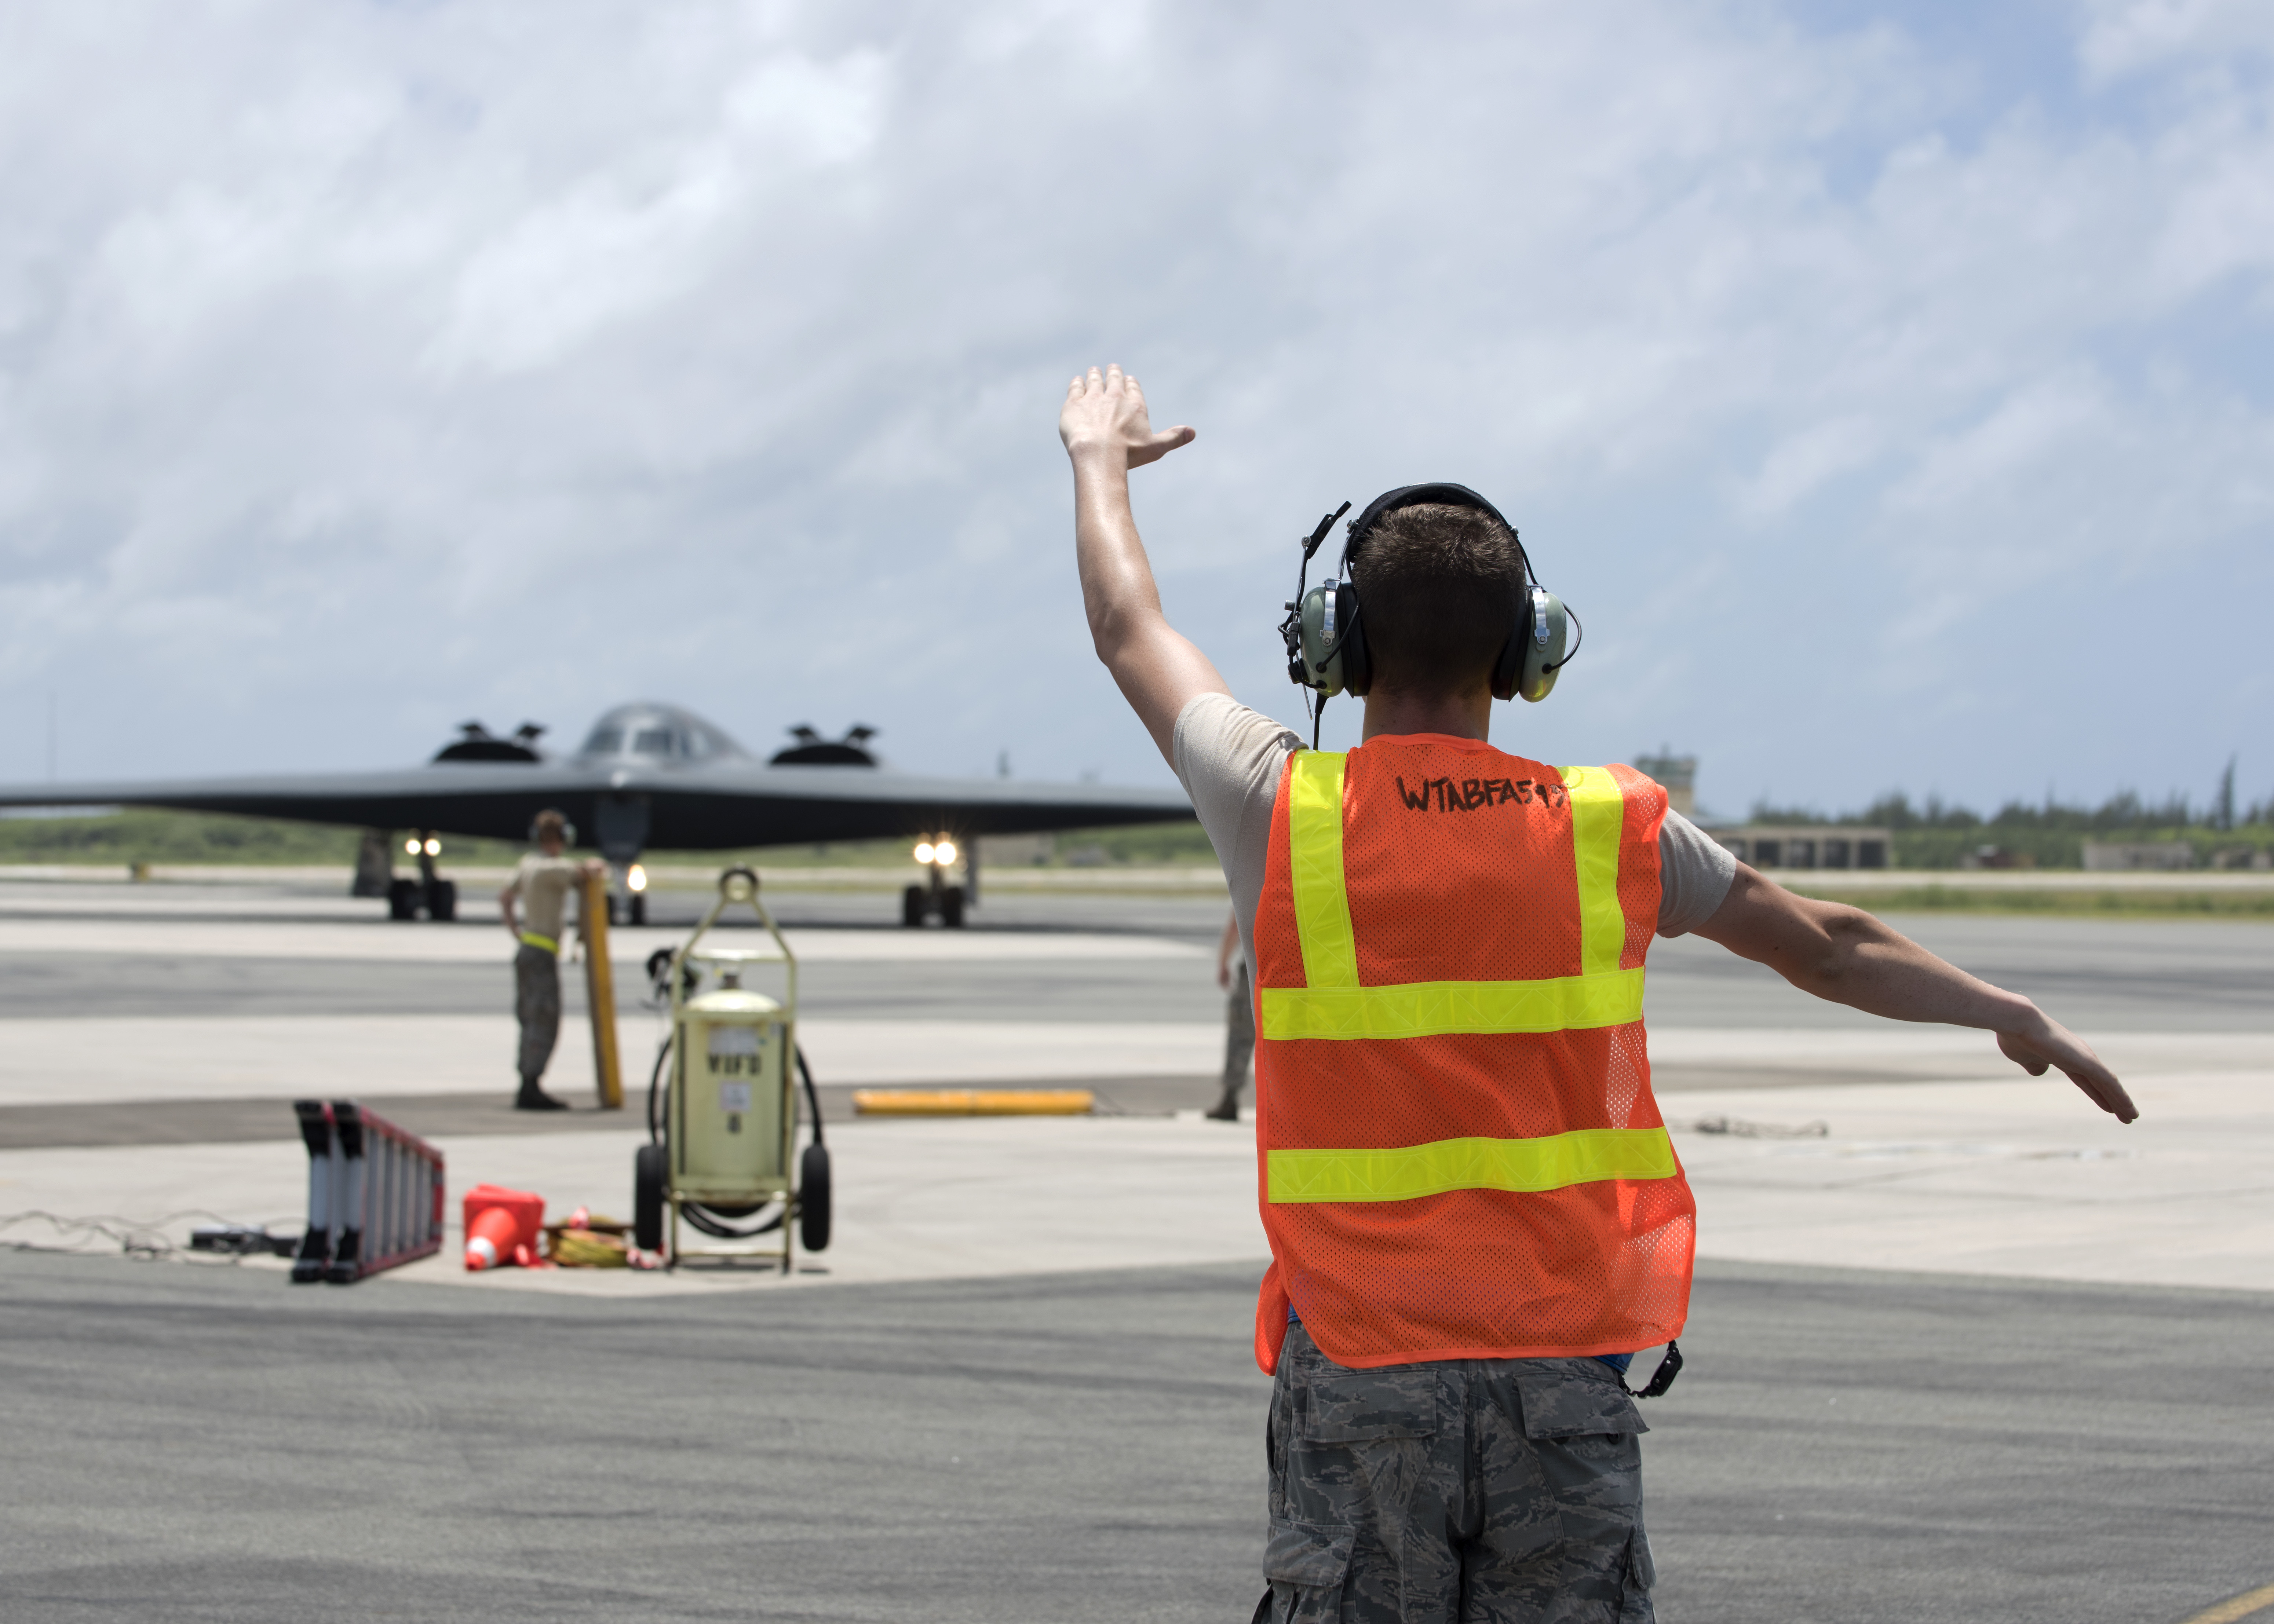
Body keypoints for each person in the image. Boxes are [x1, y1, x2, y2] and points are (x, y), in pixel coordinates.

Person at [1056, 363, 2136, 1624]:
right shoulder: (1607, 827)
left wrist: (1096, 459)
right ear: (1523, 650)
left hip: (1357, 1370)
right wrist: (2005, 1008)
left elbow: (1126, 627)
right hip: (1557, 1379)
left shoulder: (1274, 806)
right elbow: (1827, 944)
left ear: (1336, 645)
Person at [498, 809, 601, 1111]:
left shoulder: (528, 865)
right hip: (543, 954)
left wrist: (514, 929)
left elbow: (505, 896)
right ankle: (531, 1085)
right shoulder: (553, 869)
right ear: (562, 838)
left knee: (529, 1017)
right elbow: (588, 872)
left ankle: (527, 1081)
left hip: (527, 948)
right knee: (544, 1018)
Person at [1209, 909, 1255, 1122]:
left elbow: (1236, 924)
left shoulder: (1261, 877)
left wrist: (1223, 964)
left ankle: (1231, 1096)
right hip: (1300, 968)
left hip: (1259, 966)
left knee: (1241, 1032)